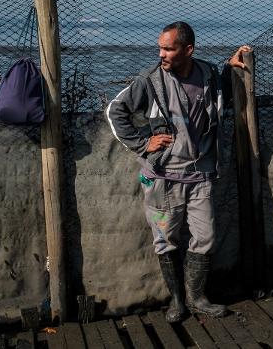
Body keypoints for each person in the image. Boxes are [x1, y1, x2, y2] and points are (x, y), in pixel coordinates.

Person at [106, 21, 251, 321]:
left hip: (201, 176)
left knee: (206, 237)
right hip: (162, 178)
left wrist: (231, 66)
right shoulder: (150, 81)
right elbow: (115, 111)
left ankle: (197, 297)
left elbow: (216, 91)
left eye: (169, 48)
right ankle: (177, 301)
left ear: (188, 50)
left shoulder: (209, 73)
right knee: (165, 238)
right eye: (160, 47)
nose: (161, 54)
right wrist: (144, 143)